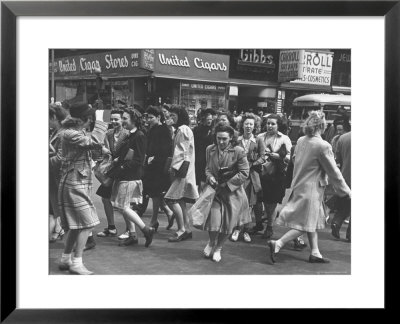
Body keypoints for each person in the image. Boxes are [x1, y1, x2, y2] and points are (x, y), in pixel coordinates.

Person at [267, 111, 351, 264]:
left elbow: (295, 160)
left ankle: (315, 253)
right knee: (306, 224)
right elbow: (334, 172)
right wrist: (346, 191)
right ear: (322, 126)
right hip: (313, 189)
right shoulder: (323, 145)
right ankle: (278, 244)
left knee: (311, 220)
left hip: (300, 184)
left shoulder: (300, 140)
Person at [57, 103, 108, 275]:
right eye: (91, 118)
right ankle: (77, 263)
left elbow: (92, 148)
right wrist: (103, 121)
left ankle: (66, 259)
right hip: (74, 183)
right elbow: (94, 141)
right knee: (87, 223)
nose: (92, 120)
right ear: (83, 119)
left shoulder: (76, 133)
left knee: (76, 226)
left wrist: (100, 149)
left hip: (76, 182)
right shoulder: (70, 134)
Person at [107, 107, 155, 247]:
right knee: (124, 207)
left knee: (123, 207)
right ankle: (133, 235)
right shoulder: (131, 134)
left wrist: (121, 167)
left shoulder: (139, 135)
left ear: (134, 120)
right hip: (125, 175)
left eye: (125, 118)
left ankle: (146, 230)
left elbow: (139, 160)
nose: (122, 121)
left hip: (130, 176)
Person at [202, 124, 250, 262]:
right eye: (218, 138)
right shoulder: (209, 149)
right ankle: (211, 242)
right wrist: (209, 177)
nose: (221, 142)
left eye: (224, 139)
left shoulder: (238, 151)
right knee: (214, 220)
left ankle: (218, 248)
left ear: (231, 138)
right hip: (215, 191)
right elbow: (207, 168)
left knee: (228, 224)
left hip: (232, 193)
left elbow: (244, 172)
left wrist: (228, 184)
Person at [164, 105, 199, 242]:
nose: (171, 118)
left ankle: (181, 229)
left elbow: (182, 152)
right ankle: (186, 229)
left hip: (181, 170)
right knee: (181, 200)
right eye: (170, 115)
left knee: (171, 199)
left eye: (173, 115)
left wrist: (174, 168)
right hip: (185, 170)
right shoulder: (183, 129)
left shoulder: (183, 129)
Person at [231, 113, 265, 243]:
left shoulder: (258, 140)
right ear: (242, 125)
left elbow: (263, 156)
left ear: (255, 126)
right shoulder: (237, 139)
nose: (248, 126)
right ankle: (236, 229)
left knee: (249, 204)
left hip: (251, 177)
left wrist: (252, 164)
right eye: (246, 124)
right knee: (237, 202)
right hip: (238, 175)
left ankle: (245, 230)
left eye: (251, 124)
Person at [96, 109, 130, 239]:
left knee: (124, 203)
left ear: (122, 120)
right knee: (105, 198)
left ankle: (129, 230)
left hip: (121, 171)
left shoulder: (127, 134)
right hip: (110, 170)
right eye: (112, 119)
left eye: (117, 119)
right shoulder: (108, 133)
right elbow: (103, 148)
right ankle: (111, 227)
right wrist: (103, 150)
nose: (114, 121)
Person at [258, 114, 292, 239]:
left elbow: (290, 156)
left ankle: (270, 227)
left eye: (273, 124)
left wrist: (281, 157)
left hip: (276, 174)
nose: (270, 126)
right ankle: (259, 223)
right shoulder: (260, 137)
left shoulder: (284, 138)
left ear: (278, 125)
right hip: (260, 172)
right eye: (268, 123)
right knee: (259, 201)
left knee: (271, 202)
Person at [143, 105, 175, 231]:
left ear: (158, 117)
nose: (148, 120)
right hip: (152, 166)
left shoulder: (163, 129)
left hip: (158, 167)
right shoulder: (153, 129)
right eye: (148, 117)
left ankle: (154, 219)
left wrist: (154, 158)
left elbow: (166, 149)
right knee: (156, 194)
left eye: (151, 117)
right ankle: (168, 213)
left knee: (155, 194)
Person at [49, 103, 68, 243]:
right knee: (54, 207)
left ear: (54, 117)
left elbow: (61, 158)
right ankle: (57, 229)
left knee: (59, 208)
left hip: (59, 177)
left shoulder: (62, 134)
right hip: (53, 177)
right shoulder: (55, 132)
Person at [331, 131, 351, 242]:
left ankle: (337, 221)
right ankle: (351, 233)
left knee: (346, 202)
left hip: (346, 175)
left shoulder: (343, 138)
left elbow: (337, 159)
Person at [193, 108, 215, 192]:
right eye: (208, 119)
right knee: (200, 178)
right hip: (200, 155)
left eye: (211, 119)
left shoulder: (213, 130)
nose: (210, 121)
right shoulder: (197, 129)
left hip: (209, 156)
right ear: (204, 119)